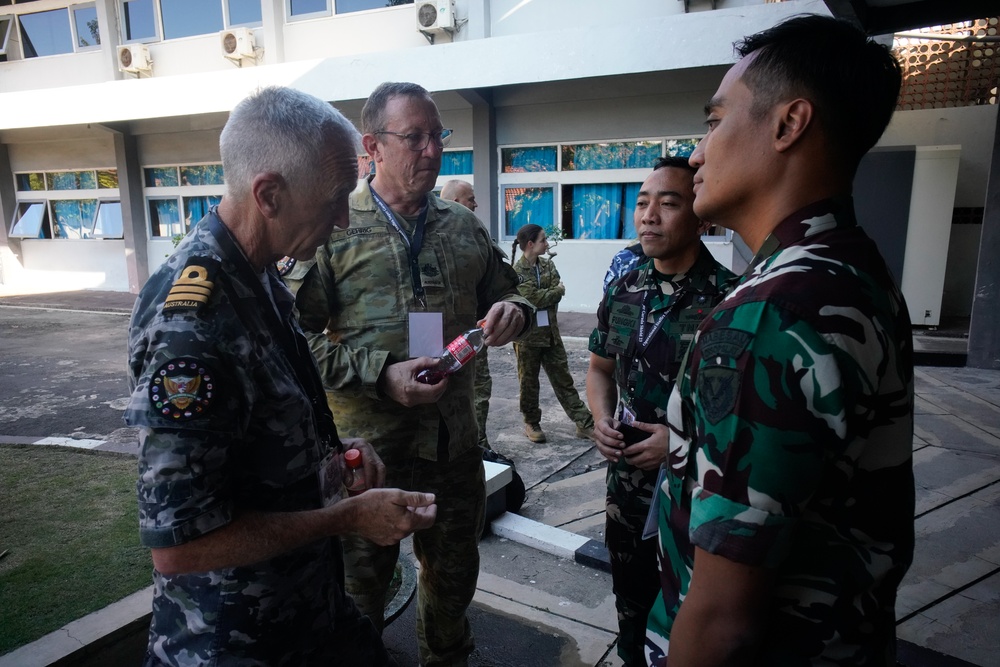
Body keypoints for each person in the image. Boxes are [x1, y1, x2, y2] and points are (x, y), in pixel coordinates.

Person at [124, 86, 437, 666]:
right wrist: (345, 518)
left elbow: (258, 430)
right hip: (233, 640)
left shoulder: (259, 271)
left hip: (305, 613)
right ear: (267, 194)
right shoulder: (194, 323)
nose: (344, 219)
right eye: (334, 200)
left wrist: (337, 452)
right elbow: (180, 546)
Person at [645, 15, 915, 666]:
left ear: (788, 124)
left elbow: (721, 619)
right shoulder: (853, 271)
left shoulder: (771, 315)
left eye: (714, 122)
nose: (697, 152)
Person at [290, 81, 531, 667]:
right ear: (371, 146)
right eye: (414, 137)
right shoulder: (335, 230)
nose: (431, 151)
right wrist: (381, 374)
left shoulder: (463, 226)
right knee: (358, 592)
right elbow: (292, 342)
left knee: (452, 583)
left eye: (437, 136)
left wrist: (517, 313)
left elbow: (521, 296)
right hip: (368, 456)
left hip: (452, 449)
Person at [586, 156, 734, 667]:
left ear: (701, 218)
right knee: (630, 596)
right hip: (626, 485)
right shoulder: (625, 289)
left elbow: (742, 421)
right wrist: (600, 420)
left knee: (690, 608)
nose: (649, 215)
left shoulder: (728, 300)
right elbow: (600, 369)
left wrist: (680, 444)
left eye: (669, 203)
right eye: (643, 203)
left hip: (695, 493)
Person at [511, 223, 595, 443]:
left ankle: (583, 422)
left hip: (550, 334)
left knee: (563, 380)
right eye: (543, 240)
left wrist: (551, 293)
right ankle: (531, 422)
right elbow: (534, 298)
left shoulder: (547, 265)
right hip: (528, 338)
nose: (547, 244)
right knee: (528, 384)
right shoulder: (516, 272)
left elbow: (558, 289)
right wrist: (553, 292)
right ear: (530, 244)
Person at [440, 178, 492, 450]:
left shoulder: (474, 234)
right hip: (434, 343)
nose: (476, 204)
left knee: (479, 390)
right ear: (456, 202)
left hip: (471, 338)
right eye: (471, 199)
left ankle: (478, 441)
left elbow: (503, 288)